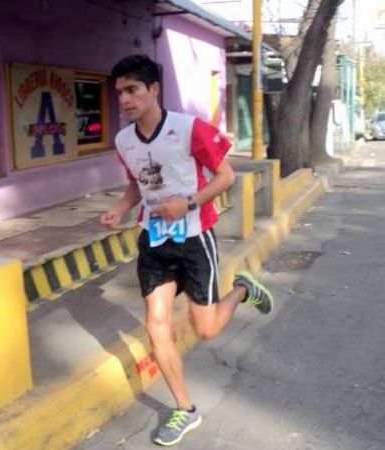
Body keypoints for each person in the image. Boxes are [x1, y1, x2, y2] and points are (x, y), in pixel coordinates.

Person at [101, 54, 274, 446]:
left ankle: (242, 289)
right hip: (155, 241)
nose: (124, 100)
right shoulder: (123, 141)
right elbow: (137, 184)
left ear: (154, 89)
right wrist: (120, 208)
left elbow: (225, 176)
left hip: (195, 238)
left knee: (207, 329)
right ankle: (185, 409)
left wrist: (188, 203)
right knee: (156, 324)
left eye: (132, 90)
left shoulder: (189, 129)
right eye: (119, 94)